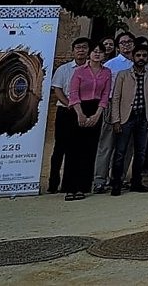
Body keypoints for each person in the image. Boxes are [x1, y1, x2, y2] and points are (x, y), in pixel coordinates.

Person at [107, 43, 148, 195]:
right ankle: (116, 183)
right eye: (138, 55)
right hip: (126, 117)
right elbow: (116, 98)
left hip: (143, 117)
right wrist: (116, 120)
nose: (141, 58)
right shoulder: (123, 75)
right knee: (120, 152)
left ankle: (136, 182)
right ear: (133, 57)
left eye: (144, 56)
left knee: (141, 152)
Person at [64, 43, 111, 201]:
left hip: (96, 109)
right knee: (74, 150)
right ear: (89, 54)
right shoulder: (79, 71)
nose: (97, 54)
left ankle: (82, 187)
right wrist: (80, 114)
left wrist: (97, 115)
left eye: (100, 52)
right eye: (94, 51)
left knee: (89, 150)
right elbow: (73, 93)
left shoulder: (106, 72)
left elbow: (105, 95)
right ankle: (70, 187)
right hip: (78, 109)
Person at [93, 31, 135, 193]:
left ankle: (119, 177)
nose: (127, 45)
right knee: (107, 144)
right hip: (112, 105)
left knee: (127, 146)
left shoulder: (138, 63)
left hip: (132, 107)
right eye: (123, 42)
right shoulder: (112, 64)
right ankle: (99, 179)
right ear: (118, 46)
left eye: (129, 42)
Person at [48, 37, 90, 193]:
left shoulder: (92, 70)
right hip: (65, 111)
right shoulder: (63, 69)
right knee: (60, 147)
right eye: (78, 47)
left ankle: (69, 183)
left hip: (84, 111)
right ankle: (53, 183)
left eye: (84, 47)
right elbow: (57, 90)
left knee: (76, 149)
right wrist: (70, 104)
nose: (81, 50)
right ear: (73, 51)